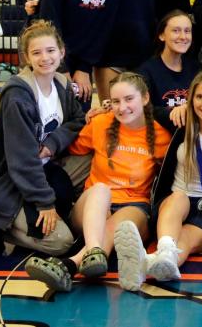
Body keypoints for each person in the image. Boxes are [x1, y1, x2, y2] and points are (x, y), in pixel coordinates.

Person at [24, 72, 171, 292]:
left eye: (129, 99)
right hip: (92, 206)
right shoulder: (100, 123)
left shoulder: (161, 137)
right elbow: (67, 149)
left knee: (120, 226)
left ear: (145, 98)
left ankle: (69, 265)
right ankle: (93, 252)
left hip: (132, 207)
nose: (122, 107)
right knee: (101, 189)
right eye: (116, 101)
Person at [115, 71, 202, 291]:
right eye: (199, 97)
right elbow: (145, 110)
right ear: (191, 100)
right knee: (178, 199)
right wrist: (106, 106)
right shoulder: (181, 124)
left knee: (184, 244)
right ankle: (162, 251)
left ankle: (143, 266)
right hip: (177, 200)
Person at [0, 21, 86, 254]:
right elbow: (22, 160)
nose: (45, 58)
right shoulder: (18, 96)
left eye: (50, 51)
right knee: (62, 243)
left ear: (61, 52)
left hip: (45, 170)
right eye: (36, 53)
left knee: (95, 160)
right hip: (9, 181)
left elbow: (77, 121)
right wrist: (45, 203)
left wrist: (52, 143)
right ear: (27, 58)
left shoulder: (61, 85)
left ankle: (63, 209)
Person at [138, 10, 201, 132]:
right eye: (176, 31)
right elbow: (143, 109)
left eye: (187, 31)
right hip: (158, 137)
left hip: (192, 134)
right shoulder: (146, 71)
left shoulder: (196, 68)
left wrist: (188, 108)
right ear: (162, 35)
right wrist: (174, 111)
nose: (183, 37)